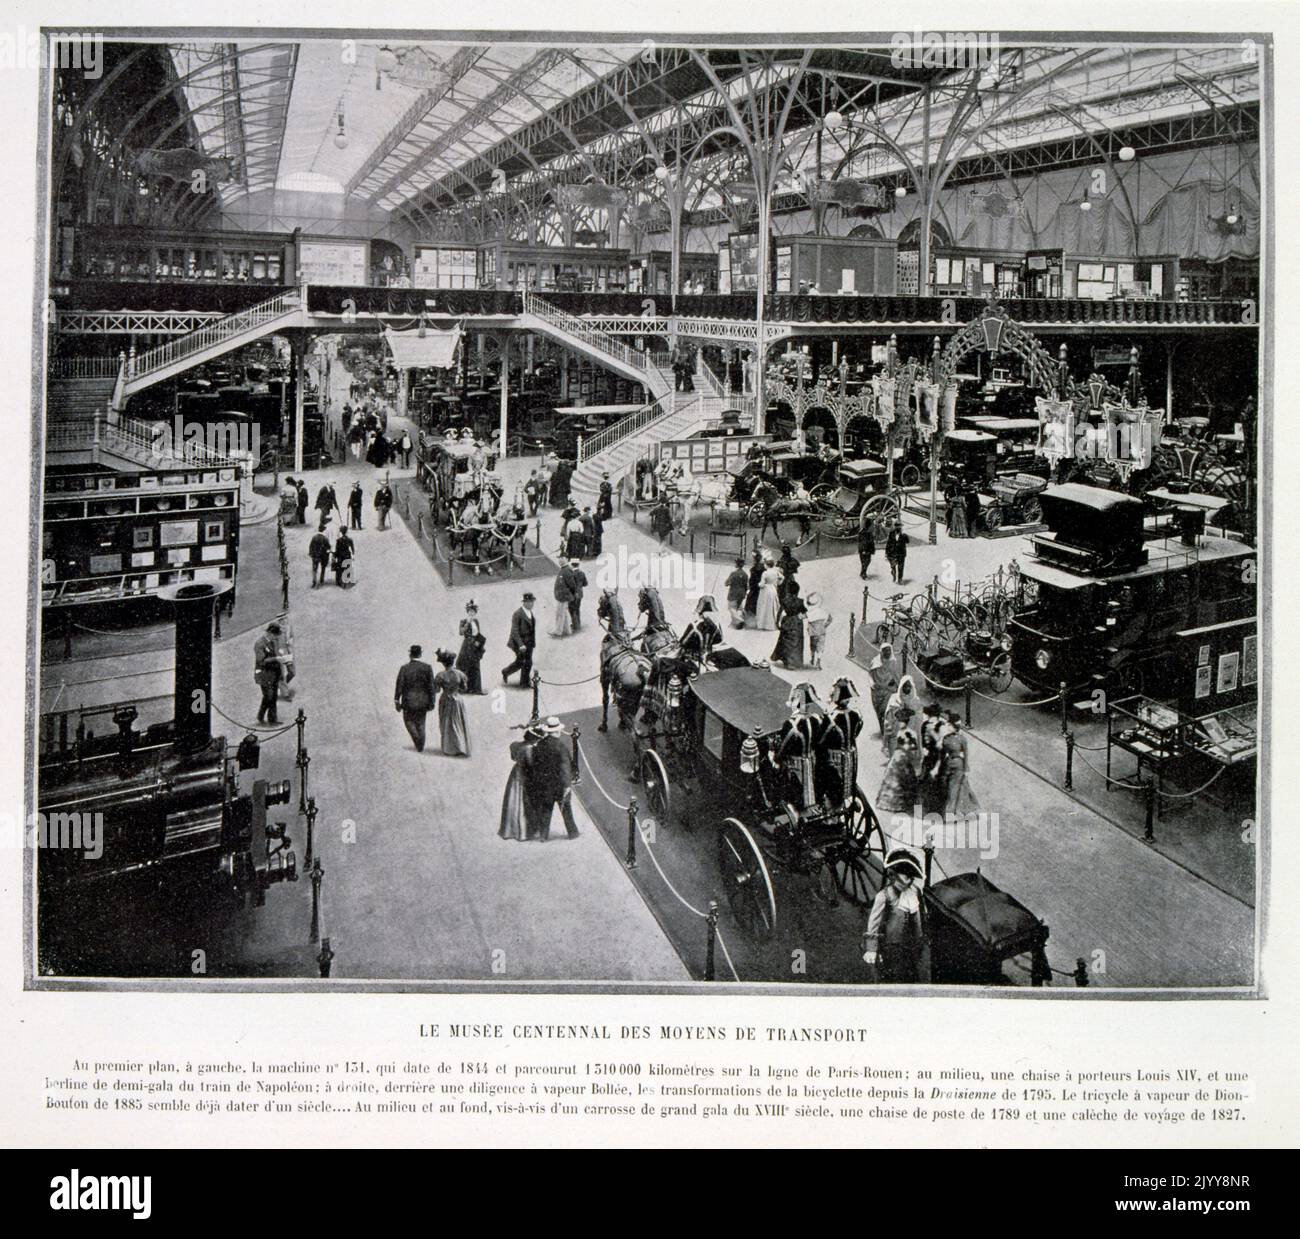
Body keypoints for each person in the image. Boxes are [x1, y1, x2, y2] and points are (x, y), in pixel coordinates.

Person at [862, 849, 927, 983]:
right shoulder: (884, 896)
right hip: (891, 949)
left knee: (912, 978)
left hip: (913, 948)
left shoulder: (915, 892)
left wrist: (923, 940)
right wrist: (872, 949)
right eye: (902, 878)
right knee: (893, 979)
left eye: (909, 878)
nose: (907, 882)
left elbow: (921, 915)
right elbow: (873, 924)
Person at [519, 717, 580, 840]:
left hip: (544, 785)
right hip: (559, 785)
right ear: (557, 731)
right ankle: (572, 833)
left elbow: (535, 764)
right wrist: (567, 785)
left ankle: (543, 834)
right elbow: (565, 768)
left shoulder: (539, 744)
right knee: (566, 810)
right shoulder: (561, 746)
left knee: (546, 810)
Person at [774, 683, 822, 810]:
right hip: (811, 761)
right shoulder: (815, 720)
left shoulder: (790, 724)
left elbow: (783, 749)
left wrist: (776, 759)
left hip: (795, 767)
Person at [818, 677, 864, 806]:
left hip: (835, 758)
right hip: (851, 755)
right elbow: (857, 731)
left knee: (830, 782)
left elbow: (821, 740)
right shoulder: (856, 714)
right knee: (847, 782)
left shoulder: (832, 718)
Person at [501, 720, 543, 840]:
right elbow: (530, 765)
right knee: (524, 802)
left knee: (513, 800)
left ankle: (509, 828)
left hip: (515, 773)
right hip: (525, 776)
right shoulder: (529, 749)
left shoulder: (516, 745)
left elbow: (513, 756)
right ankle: (524, 831)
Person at [393, 644, 436, 752]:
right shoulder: (427, 668)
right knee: (421, 723)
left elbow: (399, 685)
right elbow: (431, 687)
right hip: (423, 702)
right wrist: (432, 701)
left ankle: (417, 741)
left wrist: (397, 700)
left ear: (410, 654)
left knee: (408, 721)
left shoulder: (404, 668)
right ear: (420, 654)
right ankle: (420, 744)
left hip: (408, 701)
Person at [941, 712, 979, 817]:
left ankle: (951, 812)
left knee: (955, 788)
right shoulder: (946, 739)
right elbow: (943, 754)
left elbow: (966, 753)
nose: (947, 726)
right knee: (959, 787)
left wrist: (966, 769)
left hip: (959, 765)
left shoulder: (962, 739)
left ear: (954, 726)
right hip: (949, 764)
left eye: (949, 725)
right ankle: (965, 810)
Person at [434, 649, 471, 757]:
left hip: (446, 699)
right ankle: (461, 746)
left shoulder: (440, 675)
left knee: (446, 723)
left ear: (444, 663)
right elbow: (464, 688)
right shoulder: (460, 674)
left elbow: (436, 690)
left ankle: (450, 748)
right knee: (458, 722)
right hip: (457, 699)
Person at [877, 728, 919, 814]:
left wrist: (909, 748)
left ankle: (904, 804)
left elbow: (915, 746)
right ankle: (891, 803)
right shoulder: (900, 732)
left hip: (904, 756)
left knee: (904, 778)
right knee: (894, 778)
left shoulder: (911, 732)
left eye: (903, 721)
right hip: (899, 756)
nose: (901, 723)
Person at [882, 674, 921, 761]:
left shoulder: (916, 700)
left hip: (908, 736)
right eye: (904, 686)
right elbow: (888, 719)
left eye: (909, 686)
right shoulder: (894, 698)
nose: (907, 688)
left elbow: (918, 718)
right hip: (895, 735)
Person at [502, 592, 537, 686]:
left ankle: (511, 674)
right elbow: (514, 631)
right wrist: (521, 644)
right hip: (519, 643)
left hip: (529, 642)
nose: (531, 604)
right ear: (524, 602)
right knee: (524, 662)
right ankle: (523, 682)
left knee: (524, 662)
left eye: (532, 602)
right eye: (529, 602)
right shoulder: (518, 614)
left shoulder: (529, 612)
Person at [919, 702, 948, 814]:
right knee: (929, 782)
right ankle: (930, 807)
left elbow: (941, 745)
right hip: (930, 757)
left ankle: (936, 808)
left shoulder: (940, 726)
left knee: (935, 782)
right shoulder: (926, 725)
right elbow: (922, 741)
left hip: (936, 757)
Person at [253, 623, 283, 725]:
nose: (276, 637)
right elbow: (261, 661)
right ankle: (272, 719)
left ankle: (262, 716)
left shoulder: (272, 642)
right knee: (269, 696)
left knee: (271, 696)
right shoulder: (259, 644)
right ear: (270, 633)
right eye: (275, 635)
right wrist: (276, 658)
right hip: (264, 675)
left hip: (273, 673)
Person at [868, 642, 900, 734]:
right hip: (877, 690)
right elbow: (870, 674)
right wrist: (872, 683)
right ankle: (883, 729)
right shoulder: (876, 662)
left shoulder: (893, 661)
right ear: (881, 652)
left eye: (889, 650)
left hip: (888, 690)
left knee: (886, 710)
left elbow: (895, 674)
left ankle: (889, 729)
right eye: (885, 651)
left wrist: (899, 686)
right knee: (879, 712)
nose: (887, 653)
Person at [681, 596, 723, 662]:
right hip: (711, 657)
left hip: (696, 658)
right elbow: (720, 639)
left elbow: (683, 642)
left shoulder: (695, 624)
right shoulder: (717, 624)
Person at [456, 600, 486, 694]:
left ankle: (476, 688)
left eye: (473, 612)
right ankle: (463, 688)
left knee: (475, 665)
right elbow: (461, 632)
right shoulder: (463, 621)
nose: (471, 613)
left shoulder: (476, 621)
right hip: (467, 645)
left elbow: (478, 633)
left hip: (475, 645)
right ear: (467, 612)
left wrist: (479, 643)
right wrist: (467, 623)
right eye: (470, 612)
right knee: (464, 665)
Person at [771, 594, 806, 668]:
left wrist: (777, 623)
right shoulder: (800, 601)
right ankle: (795, 662)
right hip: (797, 623)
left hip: (787, 621)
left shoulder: (785, 600)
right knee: (796, 642)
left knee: (785, 641)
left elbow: (779, 612)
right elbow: (804, 613)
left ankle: (787, 662)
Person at [804, 591, 831, 669]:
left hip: (813, 633)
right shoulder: (823, 612)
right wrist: (825, 625)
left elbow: (801, 616)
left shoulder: (809, 613)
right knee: (820, 647)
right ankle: (818, 661)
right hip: (822, 631)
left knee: (812, 646)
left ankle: (812, 658)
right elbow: (830, 619)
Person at [755, 556, 782, 631]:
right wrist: (778, 583)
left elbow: (762, 584)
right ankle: (772, 624)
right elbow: (782, 577)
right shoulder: (776, 571)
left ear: (767, 565)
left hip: (766, 591)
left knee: (764, 607)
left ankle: (763, 624)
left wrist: (759, 585)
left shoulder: (765, 573)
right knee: (772, 607)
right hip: (773, 589)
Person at [551, 564, 574, 638]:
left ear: (566, 559)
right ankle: (567, 630)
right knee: (564, 613)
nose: (560, 560)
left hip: (563, 596)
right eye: (559, 558)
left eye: (562, 558)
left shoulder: (566, 570)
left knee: (560, 613)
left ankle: (558, 631)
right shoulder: (563, 569)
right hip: (562, 596)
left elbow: (572, 584)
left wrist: (567, 593)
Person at [563, 558, 587, 630]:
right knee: (577, 608)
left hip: (572, 594)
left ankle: (575, 624)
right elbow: (585, 583)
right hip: (579, 594)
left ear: (572, 565)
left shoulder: (570, 574)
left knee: (571, 609)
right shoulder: (582, 573)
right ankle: (578, 623)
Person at [725, 557, 749, 628]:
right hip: (741, 593)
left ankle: (740, 620)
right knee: (739, 606)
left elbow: (726, 583)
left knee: (731, 608)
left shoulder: (733, 573)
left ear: (737, 564)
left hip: (733, 593)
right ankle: (743, 619)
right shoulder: (745, 574)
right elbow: (746, 585)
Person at [885, 519, 908, 584]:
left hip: (901, 553)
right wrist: (886, 553)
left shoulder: (903, 535)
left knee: (901, 567)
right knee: (893, 565)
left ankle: (900, 579)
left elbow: (907, 541)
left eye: (899, 526)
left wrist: (905, 536)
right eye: (897, 526)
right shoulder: (891, 534)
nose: (898, 528)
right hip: (893, 552)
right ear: (895, 527)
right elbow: (888, 543)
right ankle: (894, 573)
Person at [744, 547, 764, 620]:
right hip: (758, 586)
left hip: (755, 587)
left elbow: (753, 579)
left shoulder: (755, 568)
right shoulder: (762, 566)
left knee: (751, 601)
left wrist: (749, 586)